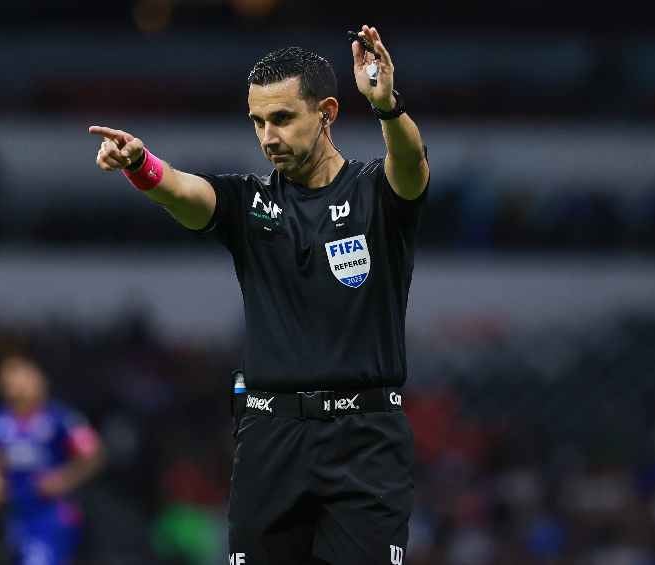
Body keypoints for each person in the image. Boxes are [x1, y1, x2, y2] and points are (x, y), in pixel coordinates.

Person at [89, 24, 429, 565]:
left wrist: (387, 106)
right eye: (258, 121)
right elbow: (184, 191)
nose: (267, 136)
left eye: (282, 118)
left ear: (328, 113)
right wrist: (141, 166)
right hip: (270, 439)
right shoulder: (248, 204)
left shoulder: (375, 193)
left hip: (365, 442)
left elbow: (410, 168)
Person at [0, 352, 105, 565]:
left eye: (21, 375)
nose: (13, 382)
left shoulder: (61, 418)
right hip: (17, 512)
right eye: (7, 376)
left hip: (53, 513)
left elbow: (94, 455)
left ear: (38, 379)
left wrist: (64, 479)